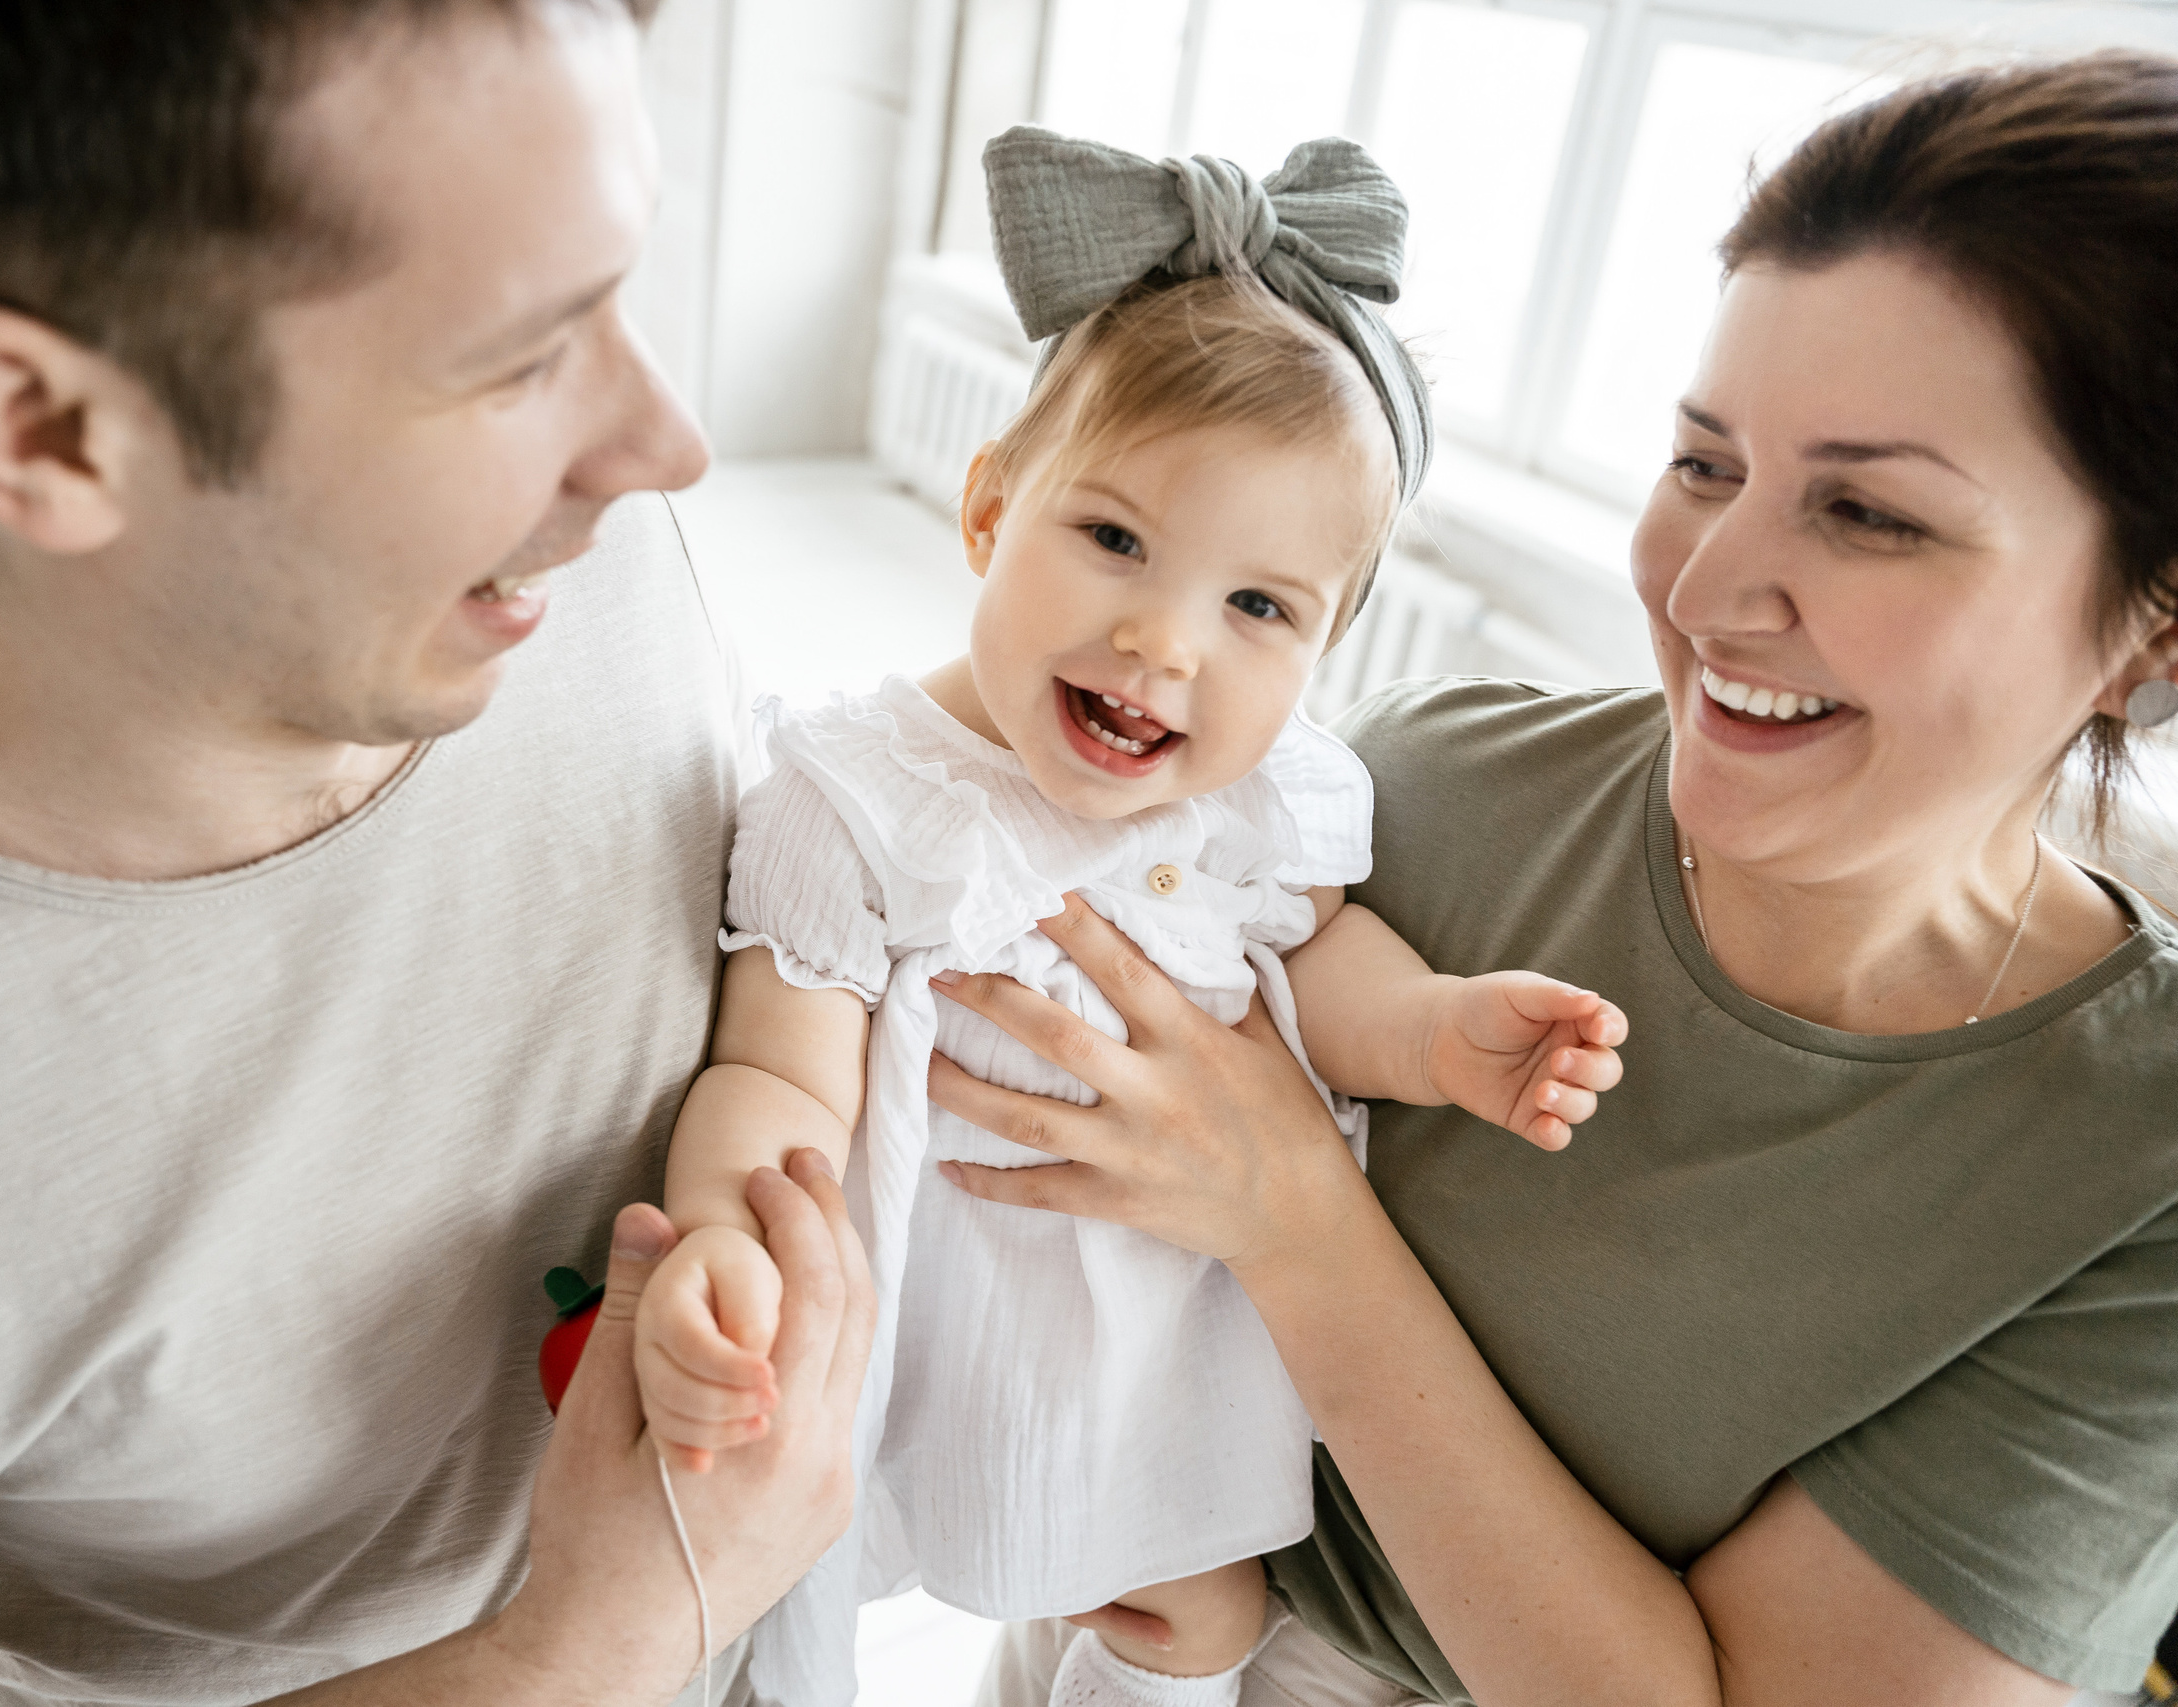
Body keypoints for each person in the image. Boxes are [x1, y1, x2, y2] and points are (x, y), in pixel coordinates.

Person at [0, 3, 871, 1704]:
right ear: (44, 429)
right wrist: (609, 1635)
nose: (663, 450)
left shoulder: (551, 566)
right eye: (519, 357)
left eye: (616, 293)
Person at [959, 53, 2178, 1707]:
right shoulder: (1417, 786)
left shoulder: (2138, 1161)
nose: (1713, 586)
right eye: (1701, 465)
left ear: (2151, 623)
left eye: (1871, 515)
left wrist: (1297, 1220)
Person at [634, 131, 1626, 1707]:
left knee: (1168, 1640)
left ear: (1324, 651)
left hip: (1164, 1376)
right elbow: (774, 1074)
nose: (1162, 641)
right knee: (782, 1611)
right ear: (986, 510)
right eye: (1113, 540)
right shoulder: (864, 796)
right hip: (930, 1349)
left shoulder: (1265, 800)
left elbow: (1314, 960)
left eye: (1258, 608)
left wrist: (1440, 1034)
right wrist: (727, 1250)